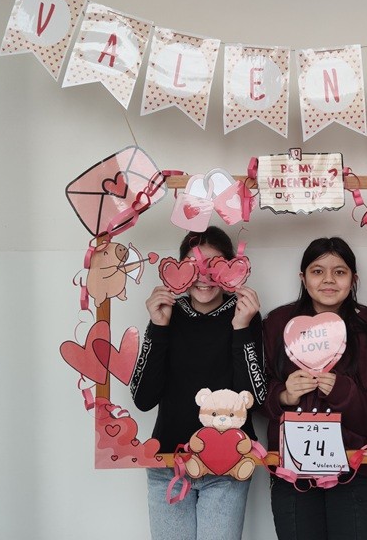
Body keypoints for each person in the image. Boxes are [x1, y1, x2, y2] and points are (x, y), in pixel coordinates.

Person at [263, 237, 367, 540]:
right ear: (303, 278)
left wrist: (346, 395)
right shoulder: (276, 325)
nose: (328, 280)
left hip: (354, 472)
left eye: (339, 272)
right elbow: (250, 393)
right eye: (317, 271)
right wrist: (283, 396)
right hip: (292, 474)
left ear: (354, 280)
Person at [130, 226, 266, 540]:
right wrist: (159, 327)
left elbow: (254, 399)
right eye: (194, 265)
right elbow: (143, 398)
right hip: (168, 463)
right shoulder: (168, 313)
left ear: (232, 269)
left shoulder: (245, 314)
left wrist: (241, 328)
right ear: (178, 270)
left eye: (214, 265)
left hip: (228, 466)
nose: (204, 276)